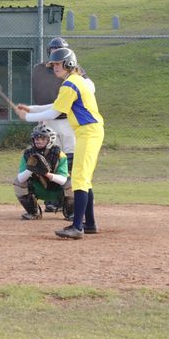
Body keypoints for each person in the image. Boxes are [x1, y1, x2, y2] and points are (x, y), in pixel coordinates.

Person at [15, 46, 103, 240]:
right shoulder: (73, 82)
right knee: (84, 179)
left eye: (57, 64)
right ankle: (90, 224)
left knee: (79, 179)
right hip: (87, 132)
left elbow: (54, 113)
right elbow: (55, 106)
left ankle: (77, 227)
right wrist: (30, 109)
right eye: (52, 64)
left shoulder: (70, 84)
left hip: (88, 132)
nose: (54, 67)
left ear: (69, 63)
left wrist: (27, 118)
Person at [31, 37, 95, 213]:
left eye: (59, 49)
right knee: (51, 160)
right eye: (53, 49)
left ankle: (70, 201)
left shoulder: (75, 72)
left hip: (68, 120)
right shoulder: (40, 69)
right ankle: (52, 200)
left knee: (71, 160)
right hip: (49, 119)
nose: (55, 52)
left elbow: (90, 87)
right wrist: (38, 115)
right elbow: (39, 92)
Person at [13, 124, 73, 221]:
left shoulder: (59, 154)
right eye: (36, 138)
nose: (38, 140)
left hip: (57, 190)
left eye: (43, 138)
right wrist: (31, 168)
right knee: (18, 182)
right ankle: (33, 212)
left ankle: (70, 212)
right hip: (38, 189)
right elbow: (20, 179)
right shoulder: (28, 154)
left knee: (72, 183)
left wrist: (46, 174)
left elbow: (63, 180)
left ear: (50, 140)